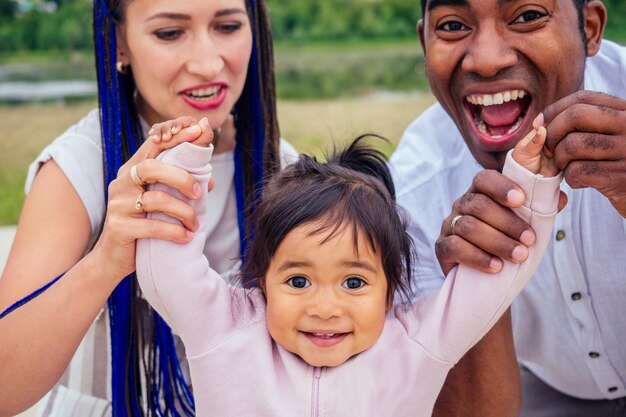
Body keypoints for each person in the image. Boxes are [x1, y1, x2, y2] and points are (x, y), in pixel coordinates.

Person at [0, 0, 298, 415]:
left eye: (228, 26)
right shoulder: (80, 166)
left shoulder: (284, 169)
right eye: (170, 33)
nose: (208, 63)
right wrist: (106, 260)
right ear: (120, 43)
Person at [134, 130, 561, 417]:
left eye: (354, 283)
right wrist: (179, 171)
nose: (324, 309)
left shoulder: (417, 341)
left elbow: (498, 274)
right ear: (262, 278)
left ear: (391, 286)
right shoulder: (226, 329)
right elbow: (164, 272)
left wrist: (529, 185)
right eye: (298, 281)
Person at [391, 0, 626, 415]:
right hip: (541, 389)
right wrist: (471, 291)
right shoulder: (414, 189)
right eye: (451, 25)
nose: (486, 60)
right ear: (423, 43)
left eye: (528, 15)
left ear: (589, 28)